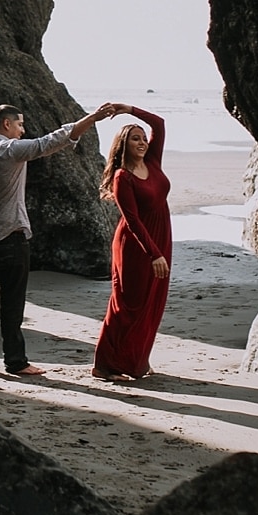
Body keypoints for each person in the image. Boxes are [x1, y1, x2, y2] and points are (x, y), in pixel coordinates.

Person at [0, 101, 115, 376]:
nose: (23, 130)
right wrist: (91, 119)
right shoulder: (7, 150)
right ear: (6, 124)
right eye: (19, 124)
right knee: (12, 302)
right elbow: (47, 143)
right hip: (10, 236)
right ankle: (16, 362)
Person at [93, 107, 171, 380]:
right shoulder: (122, 177)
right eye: (135, 139)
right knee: (127, 305)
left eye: (142, 138)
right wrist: (154, 254)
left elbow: (159, 124)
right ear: (123, 145)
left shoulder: (152, 161)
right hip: (136, 246)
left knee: (153, 302)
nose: (142, 142)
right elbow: (133, 220)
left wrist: (128, 109)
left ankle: (137, 359)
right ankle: (104, 365)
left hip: (161, 239)